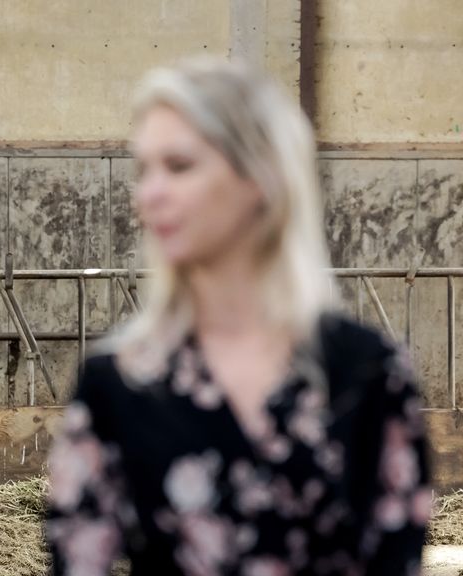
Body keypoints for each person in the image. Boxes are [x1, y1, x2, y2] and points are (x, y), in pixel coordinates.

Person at [45, 57, 432, 576]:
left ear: (260, 176)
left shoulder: (368, 373)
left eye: (179, 166)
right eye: (144, 170)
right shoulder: (117, 381)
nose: (148, 194)